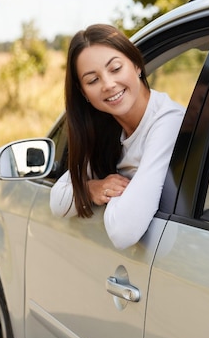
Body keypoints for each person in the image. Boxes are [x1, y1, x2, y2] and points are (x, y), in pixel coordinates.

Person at [50, 24, 185, 250]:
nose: (108, 85)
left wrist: (116, 195)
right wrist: (93, 188)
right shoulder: (106, 131)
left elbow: (123, 231)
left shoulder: (167, 121)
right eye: (93, 80)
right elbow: (57, 202)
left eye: (115, 68)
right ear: (84, 93)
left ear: (136, 65)